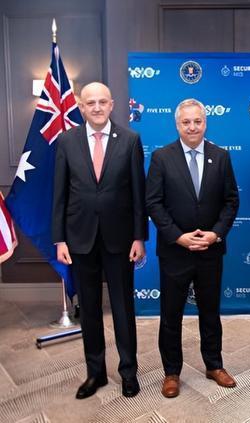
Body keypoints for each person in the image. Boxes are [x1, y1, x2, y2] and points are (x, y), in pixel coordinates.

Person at [52, 82, 147, 399]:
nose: (96, 107)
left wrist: (139, 237)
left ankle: (128, 372)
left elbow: (138, 193)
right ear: (81, 107)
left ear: (111, 105)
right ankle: (96, 374)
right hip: (79, 238)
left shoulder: (130, 140)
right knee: (89, 310)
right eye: (90, 102)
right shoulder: (66, 141)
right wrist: (59, 240)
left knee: (123, 308)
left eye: (102, 102)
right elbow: (60, 194)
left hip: (120, 239)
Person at [146, 98, 239, 398]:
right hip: (175, 251)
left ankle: (214, 365)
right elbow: (153, 203)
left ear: (205, 123)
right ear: (177, 124)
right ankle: (171, 372)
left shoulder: (221, 156)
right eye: (186, 122)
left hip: (210, 250)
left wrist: (215, 234)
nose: (192, 127)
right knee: (170, 315)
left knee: (210, 312)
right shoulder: (161, 157)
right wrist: (178, 236)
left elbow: (231, 202)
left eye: (197, 121)